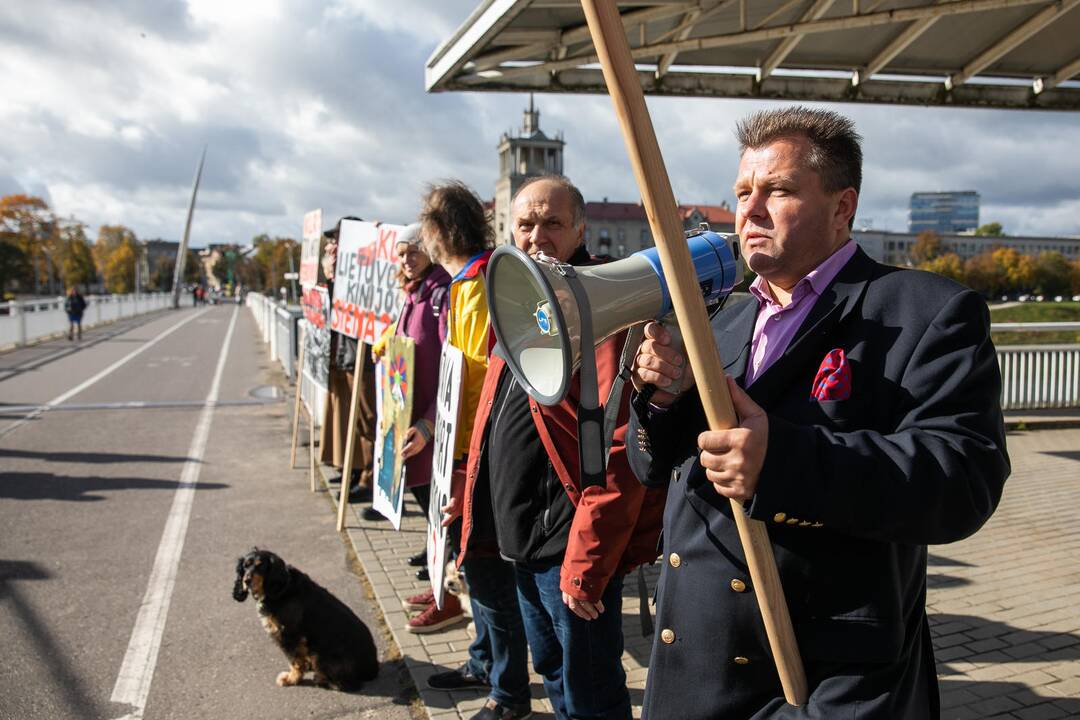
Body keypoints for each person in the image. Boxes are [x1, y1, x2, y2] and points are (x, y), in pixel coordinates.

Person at [628, 106, 1010, 719]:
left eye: (777, 190)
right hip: (691, 669)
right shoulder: (718, 317)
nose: (749, 210)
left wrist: (780, 460)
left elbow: (962, 478)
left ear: (843, 207)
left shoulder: (924, 311)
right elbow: (653, 467)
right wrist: (661, 397)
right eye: (743, 192)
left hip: (821, 684)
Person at [458, 175, 665, 720]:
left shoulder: (608, 309)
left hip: (570, 544)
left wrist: (589, 561)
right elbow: (495, 419)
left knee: (591, 688)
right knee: (554, 669)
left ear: (580, 229)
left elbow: (623, 450)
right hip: (521, 535)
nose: (536, 236)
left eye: (552, 223)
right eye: (525, 224)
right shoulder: (515, 299)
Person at [408, 180, 533, 720]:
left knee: (486, 573)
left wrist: (447, 439)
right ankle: (484, 660)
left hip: (476, 457)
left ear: (438, 232)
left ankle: (508, 693)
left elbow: (482, 379)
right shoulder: (466, 284)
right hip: (459, 451)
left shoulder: (480, 284)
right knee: (473, 568)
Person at [371, 225, 452, 572]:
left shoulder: (441, 293)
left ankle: (445, 559)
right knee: (420, 486)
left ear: (431, 251)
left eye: (413, 251)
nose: (406, 259)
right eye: (401, 253)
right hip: (408, 409)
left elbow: (451, 360)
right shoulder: (414, 292)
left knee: (437, 489)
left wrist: (431, 419)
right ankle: (434, 548)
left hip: (430, 415)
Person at [319, 216, 377, 505]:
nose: (332, 246)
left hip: (364, 357)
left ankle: (370, 480)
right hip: (347, 353)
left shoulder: (366, 271)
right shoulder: (341, 274)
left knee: (368, 421)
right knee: (354, 419)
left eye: (337, 240)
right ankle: (356, 472)